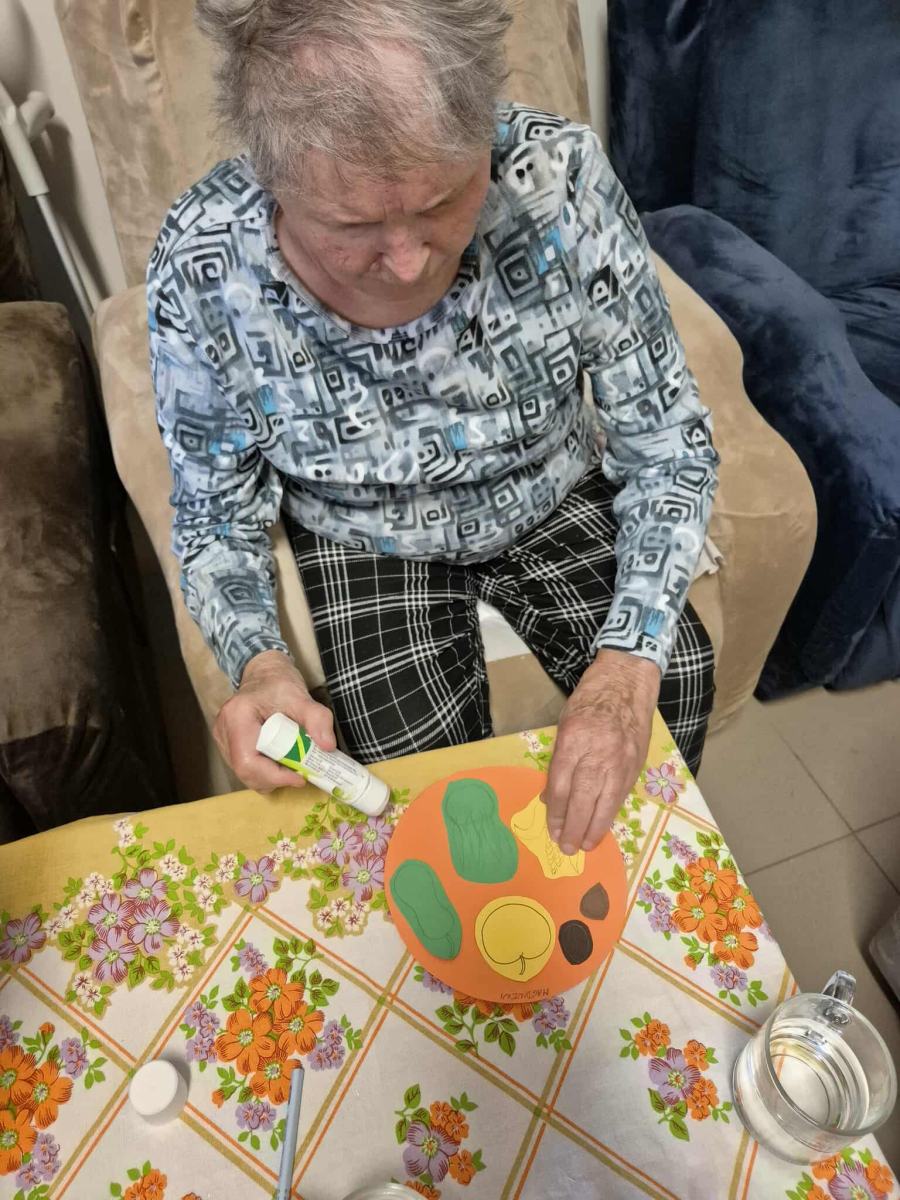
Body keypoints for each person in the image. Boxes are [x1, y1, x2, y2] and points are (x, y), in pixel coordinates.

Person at [148, 0, 718, 855]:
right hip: (360, 526)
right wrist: (259, 664)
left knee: (674, 685)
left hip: (548, 483)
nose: (413, 262)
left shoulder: (559, 176)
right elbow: (213, 513)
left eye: (445, 200)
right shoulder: (203, 259)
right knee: (414, 770)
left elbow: (669, 441)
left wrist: (626, 672)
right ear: (272, 182)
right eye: (353, 227)